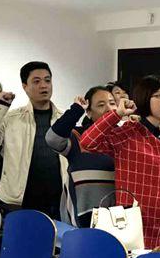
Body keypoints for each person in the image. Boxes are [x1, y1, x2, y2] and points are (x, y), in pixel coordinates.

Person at [81, 75, 160, 249]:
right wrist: (117, 114)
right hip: (134, 224)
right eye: (159, 95)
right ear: (145, 98)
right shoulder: (128, 132)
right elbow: (87, 142)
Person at [0, 61, 68, 219]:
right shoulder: (12, 118)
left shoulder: (64, 118)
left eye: (47, 80)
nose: (44, 85)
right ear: (25, 86)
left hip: (59, 200)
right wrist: (1, 106)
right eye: (36, 81)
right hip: (20, 199)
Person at [46, 86, 117, 227]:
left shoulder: (124, 137)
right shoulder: (78, 136)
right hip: (82, 218)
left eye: (112, 103)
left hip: (118, 217)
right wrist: (76, 110)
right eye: (101, 105)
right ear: (89, 112)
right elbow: (52, 139)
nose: (109, 109)